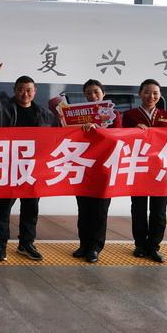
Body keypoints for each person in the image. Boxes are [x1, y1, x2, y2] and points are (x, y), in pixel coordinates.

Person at [0, 75, 57, 263]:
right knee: (3, 208)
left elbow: (57, 137)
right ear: (14, 90)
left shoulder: (45, 114)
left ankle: (26, 243)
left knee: (31, 208)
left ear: (35, 91)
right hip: (9, 167)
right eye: (21, 89)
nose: (25, 93)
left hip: (33, 169)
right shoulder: (3, 110)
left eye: (29, 90)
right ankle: (0, 244)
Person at [122, 78, 167, 264]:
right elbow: (122, 138)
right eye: (147, 92)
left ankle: (154, 246)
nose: (151, 96)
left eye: (155, 93)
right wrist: (134, 130)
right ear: (140, 94)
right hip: (139, 167)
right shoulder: (130, 115)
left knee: (159, 211)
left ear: (160, 96)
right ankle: (140, 245)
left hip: (161, 169)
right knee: (138, 209)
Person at [72, 78, 122, 264]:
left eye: (96, 92)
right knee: (83, 209)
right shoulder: (77, 116)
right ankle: (83, 244)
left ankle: (95, 247)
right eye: (88, 93)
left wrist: (98, 129)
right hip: (83, 168)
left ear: (103, 94)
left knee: (100, 211)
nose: (92, 96)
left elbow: (116, 138)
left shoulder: (114, 115)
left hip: (104, 169)